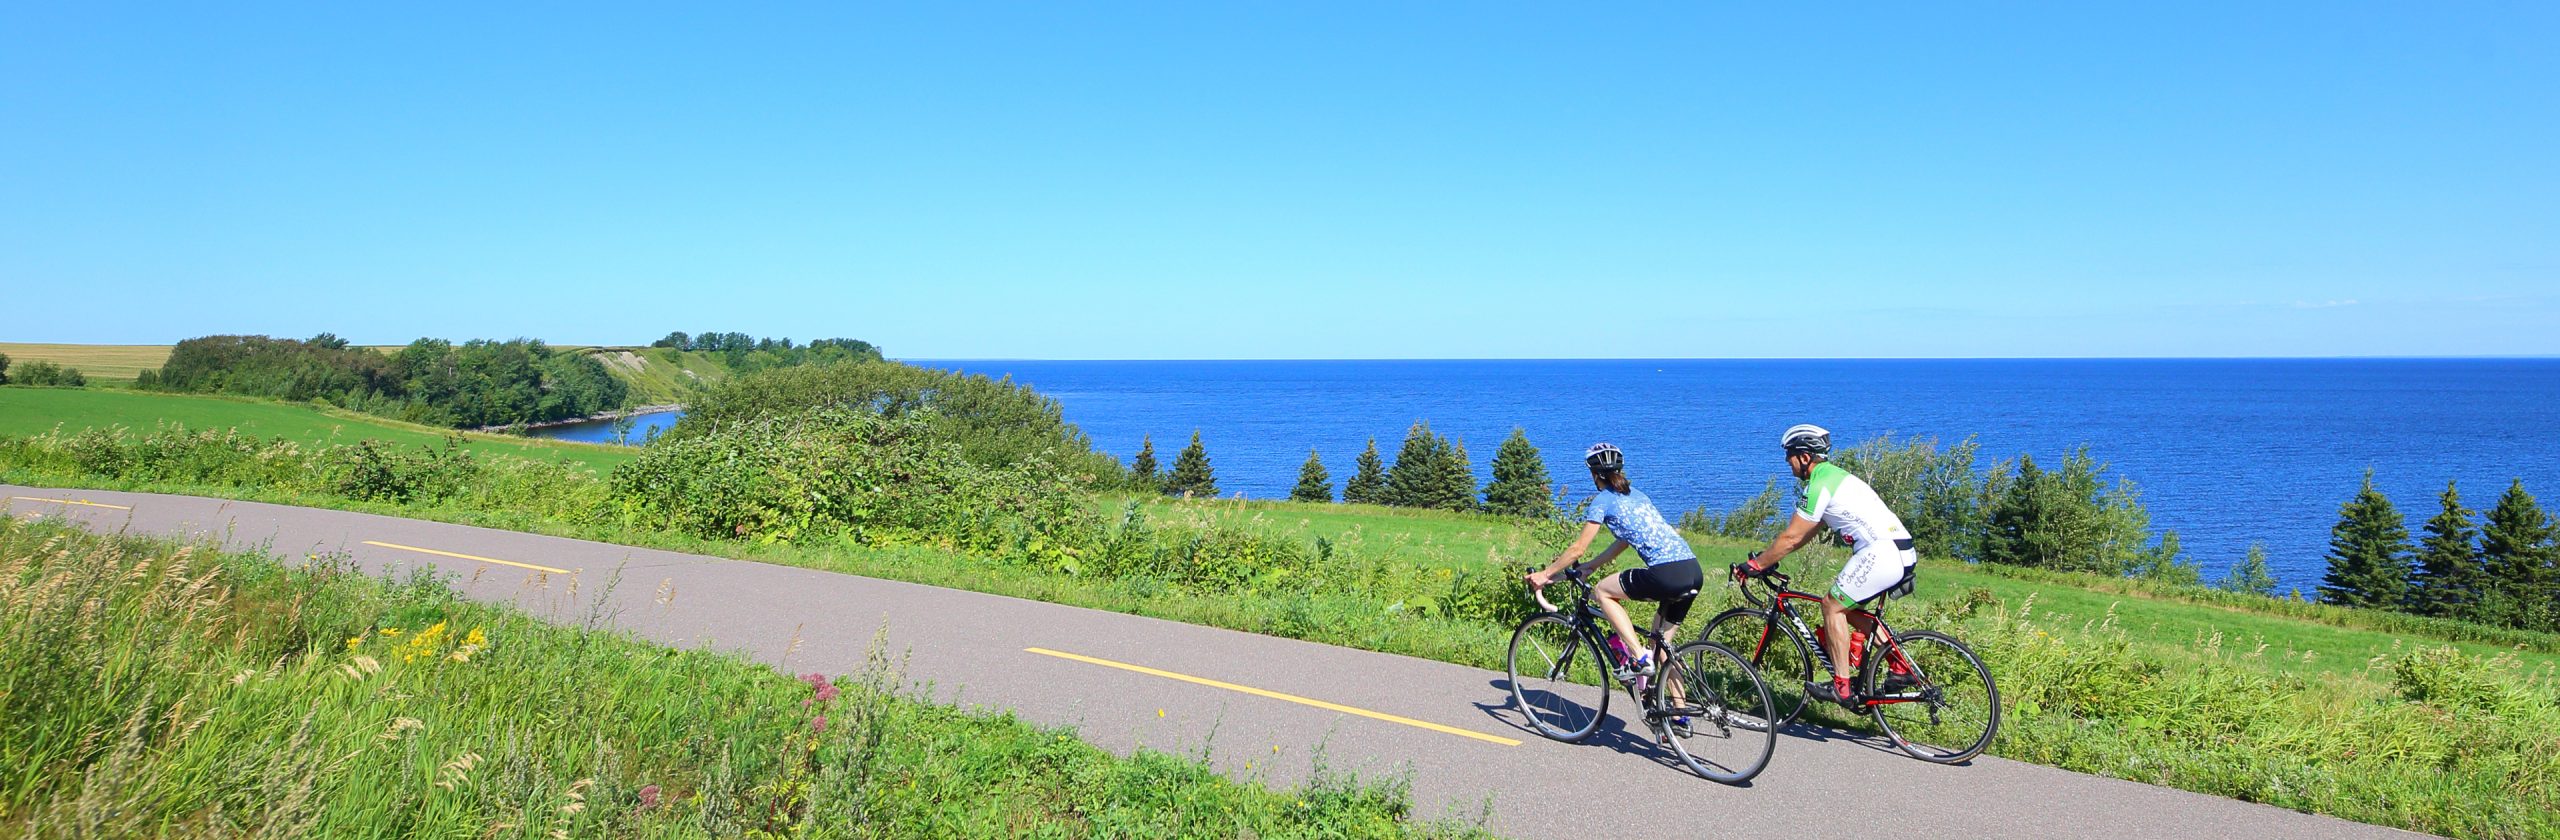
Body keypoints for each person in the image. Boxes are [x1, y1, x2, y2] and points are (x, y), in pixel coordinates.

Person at [1741, 424, 1918, 707]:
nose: (1787, 461)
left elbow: (1791, 537)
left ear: (1805, 457)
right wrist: (1767, 558)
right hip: (1899, 551)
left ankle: (1841, 687)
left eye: (1790, 455)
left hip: (1881, 552)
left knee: (1831, 605)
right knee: (1848, 608)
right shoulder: (1835, 477)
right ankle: (1899, 667)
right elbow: (1805, 533)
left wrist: (1755, 565)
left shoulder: (1819, 484)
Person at [1527, 443, 1704, 682]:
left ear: (1593, 473)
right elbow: (1623, 541)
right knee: (1660, 646)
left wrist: (1545, 574)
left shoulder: (1604, 500)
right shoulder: (1637, 495)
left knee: (1602, 591)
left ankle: (1639, 658)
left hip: (1666, 573)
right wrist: (1590, 566)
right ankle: (1680, 716)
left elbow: (1578, 547)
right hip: (1692, 570)